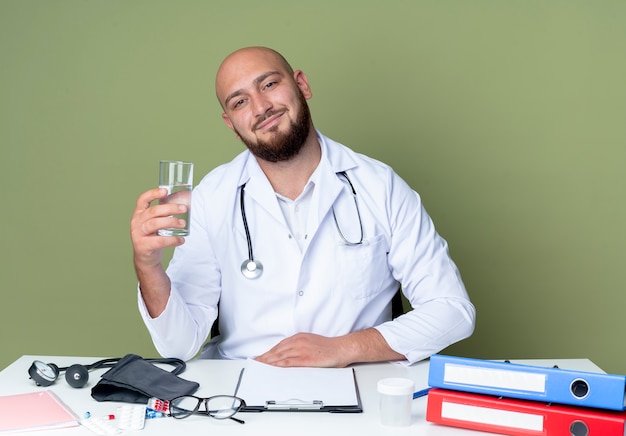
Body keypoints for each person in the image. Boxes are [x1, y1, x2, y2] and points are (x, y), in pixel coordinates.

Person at [130, 46, 475, 367]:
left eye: (269, 84)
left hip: (356, 383)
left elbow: (453, 311)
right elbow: (178, 345)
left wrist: (344, 348)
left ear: (301, 85)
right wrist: (147, 265)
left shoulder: (379, 185)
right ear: (231, 125)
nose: (261, 107)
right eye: (239, 102)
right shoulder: (212, 197)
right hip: (243, 388)